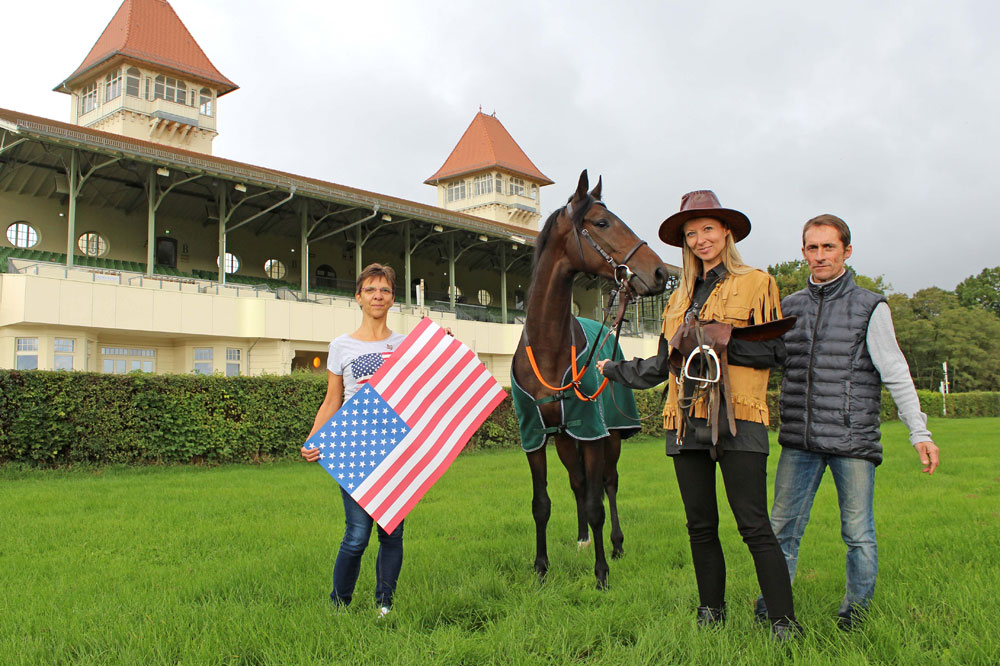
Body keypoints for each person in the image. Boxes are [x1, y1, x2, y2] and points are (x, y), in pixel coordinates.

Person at [597, 190, 801, 639]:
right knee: (699, 524)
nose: (700, 239)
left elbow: (774, 350)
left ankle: (785, 623)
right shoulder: (678, 298)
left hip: (738, 414)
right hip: (685, 419)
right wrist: (614, 370)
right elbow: (663, 364)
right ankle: (711, 611)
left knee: (754, 524)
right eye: (691, 234)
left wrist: (713, 337)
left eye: (707, 229)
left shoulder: (757, 282)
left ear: (725, 231)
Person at [754, 214, 940, 630]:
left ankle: (855, 612)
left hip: (852, 441)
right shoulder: (790, 307)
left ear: (846, 251)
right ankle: (775, 606)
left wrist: (919, 432)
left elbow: (895, 371)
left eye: (828, 247)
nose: (820, 256)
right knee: (781, 528)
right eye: (812, 248)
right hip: (800, 440)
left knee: (857, 533)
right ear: (803, 252)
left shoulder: (870, 306)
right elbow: (764, 362)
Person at [301, 263, 406, 617]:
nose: (378, 296)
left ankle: (385, 604)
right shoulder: (341, 345)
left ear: (393, 298)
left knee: (391, 532)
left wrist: (443, 346)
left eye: (385, 290)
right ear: (358, 297)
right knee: (357, 534)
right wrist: (313, 436)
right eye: (371, 289)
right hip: (355, 447)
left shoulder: (406, 345)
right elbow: (333, 399)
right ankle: (339, 604)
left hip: (396, 447)